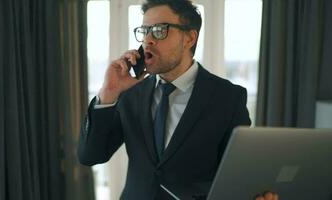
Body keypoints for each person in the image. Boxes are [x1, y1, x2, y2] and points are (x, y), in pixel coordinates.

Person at [78, 0, 254, 199]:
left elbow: (237, 174)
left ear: (189, 38)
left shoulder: (228, 98)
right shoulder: (130, 92)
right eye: (145, 31)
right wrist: (108, 92)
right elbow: (90, 155)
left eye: (160, 30)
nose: (148, 40)